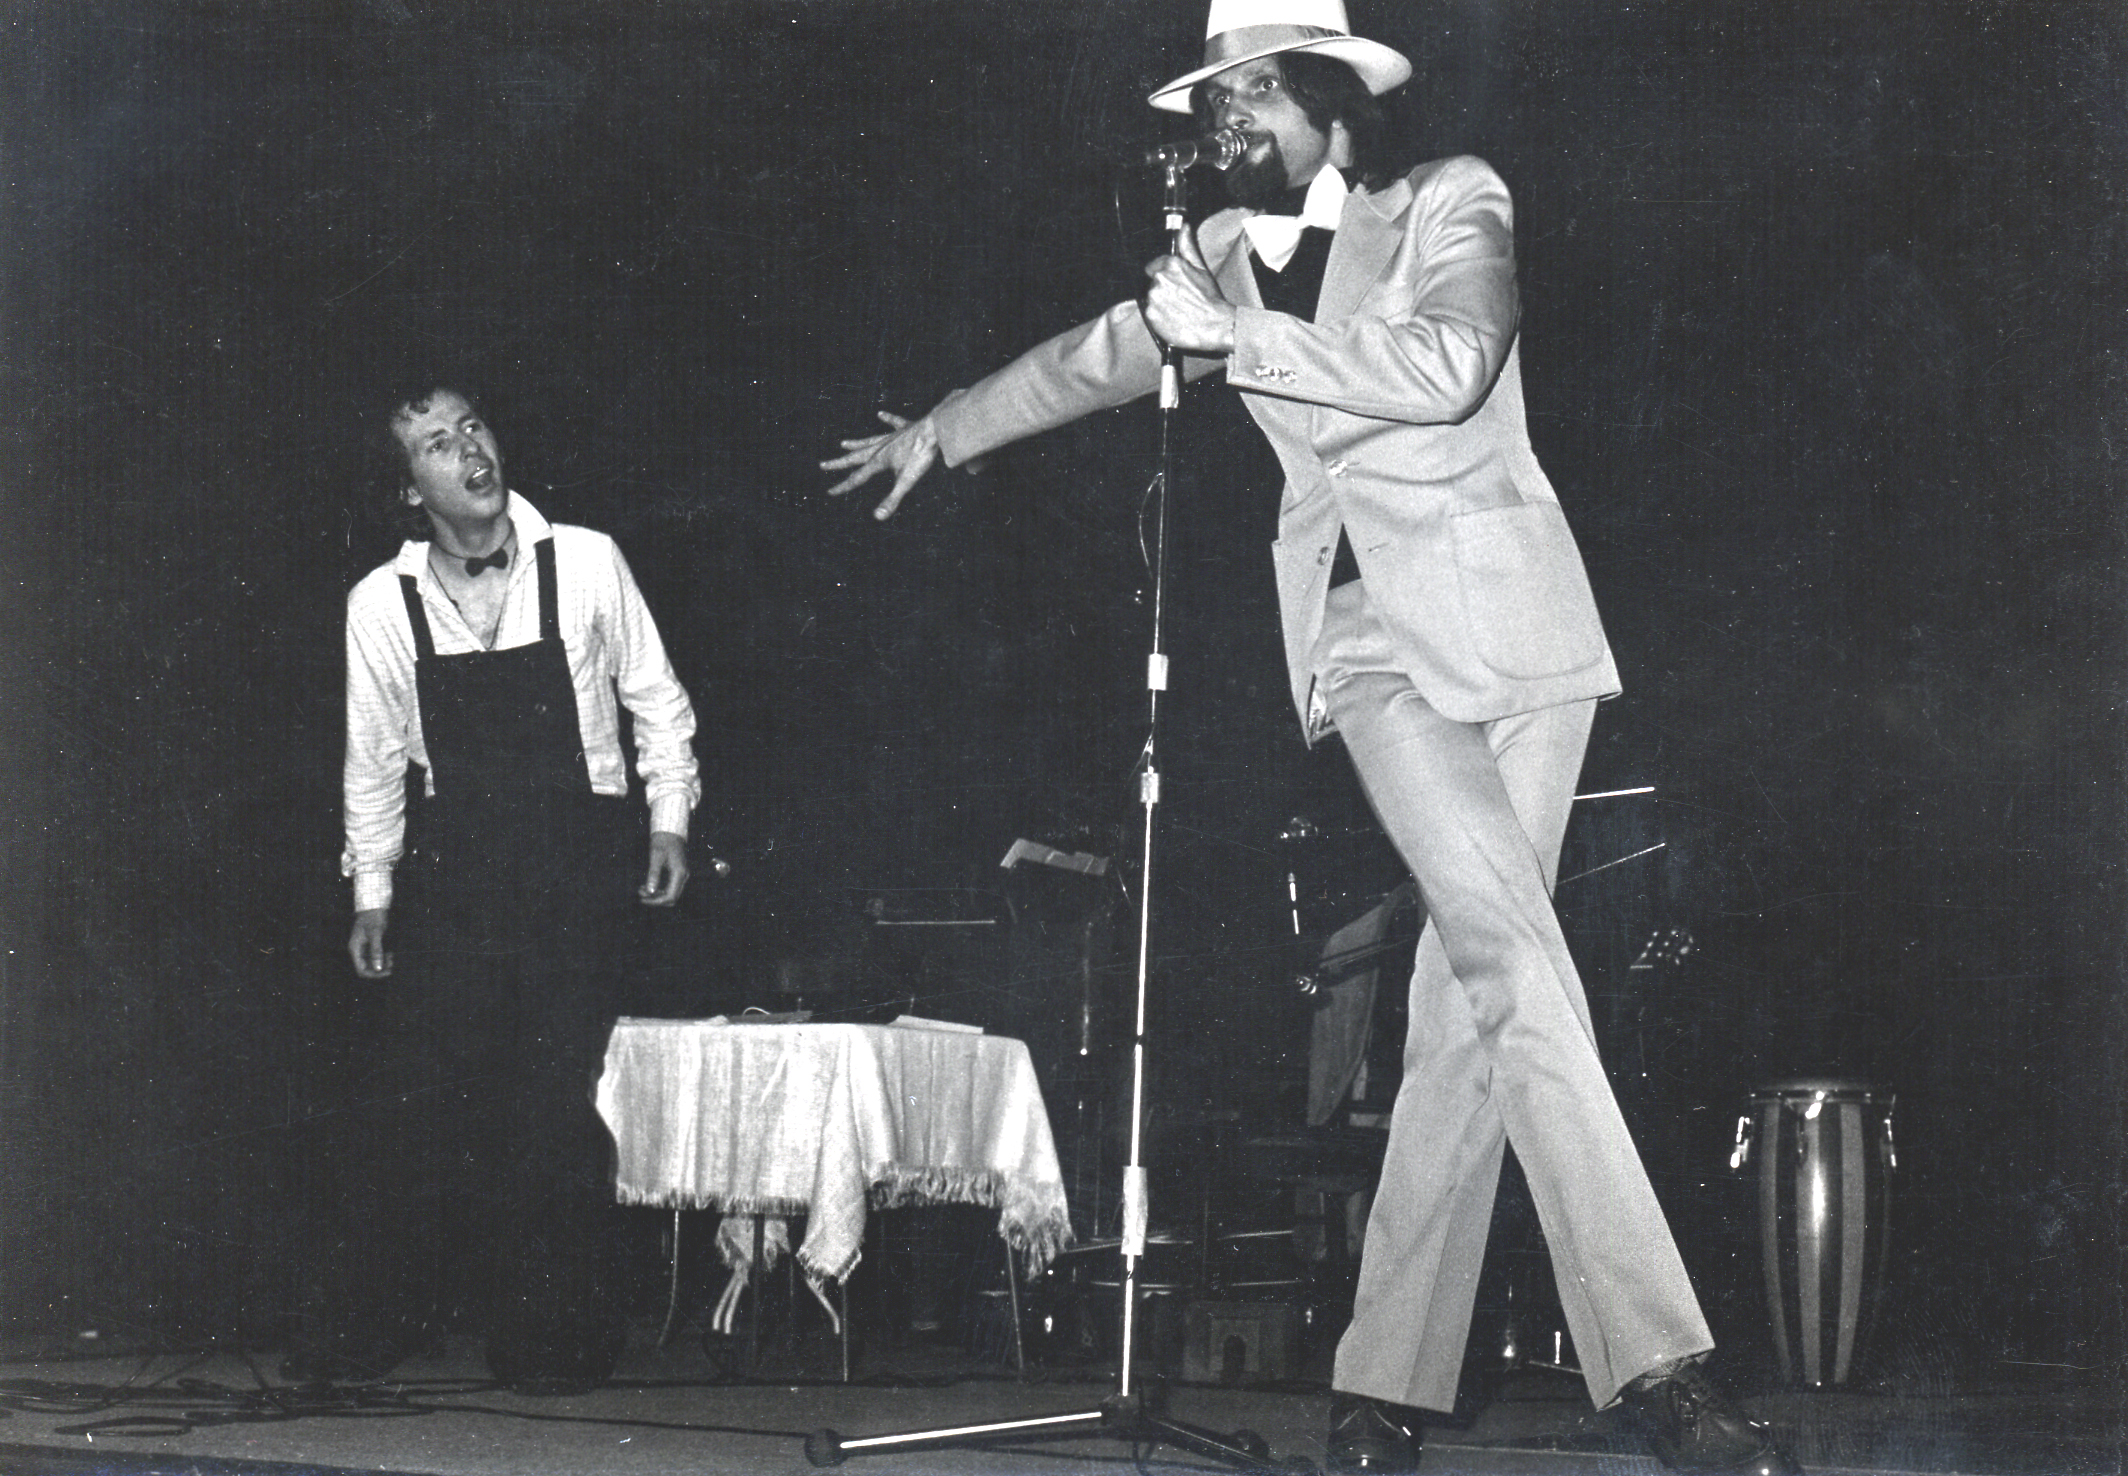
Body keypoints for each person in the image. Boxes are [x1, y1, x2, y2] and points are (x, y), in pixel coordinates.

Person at [822, 3, 1798, 1472]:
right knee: (1512, 961)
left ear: (1337, 110)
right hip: (1372, 649)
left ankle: (1381, 1387)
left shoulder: (1450, 199)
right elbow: (1092, 357)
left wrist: (1248, 338)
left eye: (1260, 92)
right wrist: (944, 428)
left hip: (1524, 640)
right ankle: (1664, 1365)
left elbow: (1450, 363)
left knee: (1469, 1005)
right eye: (1217, 99)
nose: (1231, 122)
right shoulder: (1218, 257)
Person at [318, 381, 701, 1394]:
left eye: (473, 427)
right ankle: (374, 1327)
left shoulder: (587, 559)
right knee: (430, 1100)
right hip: (460, 868)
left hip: (578, 860)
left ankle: (554, 1343)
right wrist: (372, 891)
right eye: (437, 445)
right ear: (409, 490)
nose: (469, 451)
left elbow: (657, 700)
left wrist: (668, 819)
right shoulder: (379, 603)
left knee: (549, 1104)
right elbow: (373, 758)